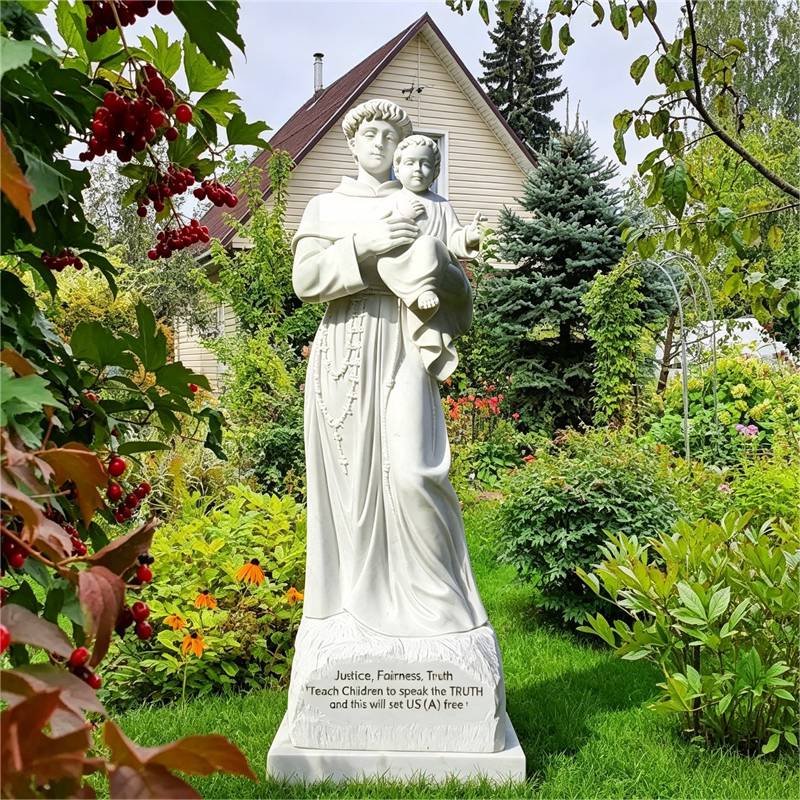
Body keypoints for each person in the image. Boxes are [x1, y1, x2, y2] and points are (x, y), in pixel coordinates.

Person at [291, 99, 488, 637]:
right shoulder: (326, 206)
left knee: (413, 470)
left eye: (390, 136)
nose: (379, 143)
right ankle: (355, 607)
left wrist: (445, 265)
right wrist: (363, 245)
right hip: (346, 343)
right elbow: (305, 282)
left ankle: (441, 606)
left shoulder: (426, 205)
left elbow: (452, 271)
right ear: (352, 143)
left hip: (406, 340)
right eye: (370, 134)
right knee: (352, 483)